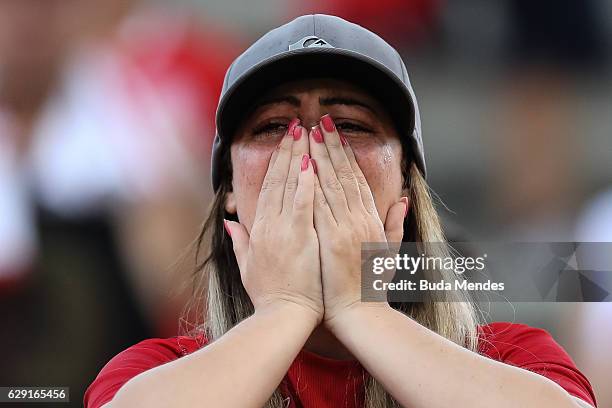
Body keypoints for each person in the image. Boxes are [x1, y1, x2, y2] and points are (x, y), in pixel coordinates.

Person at [84, 14, 597, 408]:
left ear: (405, 184)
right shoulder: (158, 371)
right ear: (229, 193)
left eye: (348, 126)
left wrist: (360, 308)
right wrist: (285, 308)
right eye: (271, 128)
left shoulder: (509, 358)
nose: (308, 152)